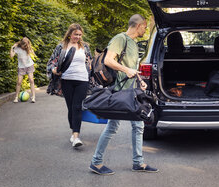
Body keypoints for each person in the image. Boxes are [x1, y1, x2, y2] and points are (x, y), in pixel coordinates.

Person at [90, 14, 158, 175]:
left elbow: (131, 67)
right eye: (145, 26)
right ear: (138, 25)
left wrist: (139, 79)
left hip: (131, 90)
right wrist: (127, 70)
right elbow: (108, 60)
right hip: (119, 92)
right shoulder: (120, 39)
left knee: (138, 125)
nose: (146, 29)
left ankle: (138, 162)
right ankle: (96, 162)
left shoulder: (133, 43)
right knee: (113, 127)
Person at [47, 24, 93, 148]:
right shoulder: (61, 47)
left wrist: (90, 67)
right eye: (75, 34)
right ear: (69, 34)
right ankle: (73, 130)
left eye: (79, 35)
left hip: (82, 79)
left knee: (77, 107)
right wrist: (54, 70)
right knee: (71, 107)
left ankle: (76, 136)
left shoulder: (85, 47)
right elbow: (51, 62)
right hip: (67, 80)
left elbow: (90, 62)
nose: (77, 37)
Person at [10, 37, 36, 103]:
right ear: (21, 44)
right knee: (19, 81)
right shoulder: (17, 48)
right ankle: (16, 97)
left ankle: (33, 97)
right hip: (21, 67)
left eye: (26, 45)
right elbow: (11, 56)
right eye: (23, 46)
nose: (24, 47)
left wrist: (31, 50)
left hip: (29, 65)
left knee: (31, 80)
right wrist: (12, 47)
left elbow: (32, 53)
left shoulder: (28, 48)